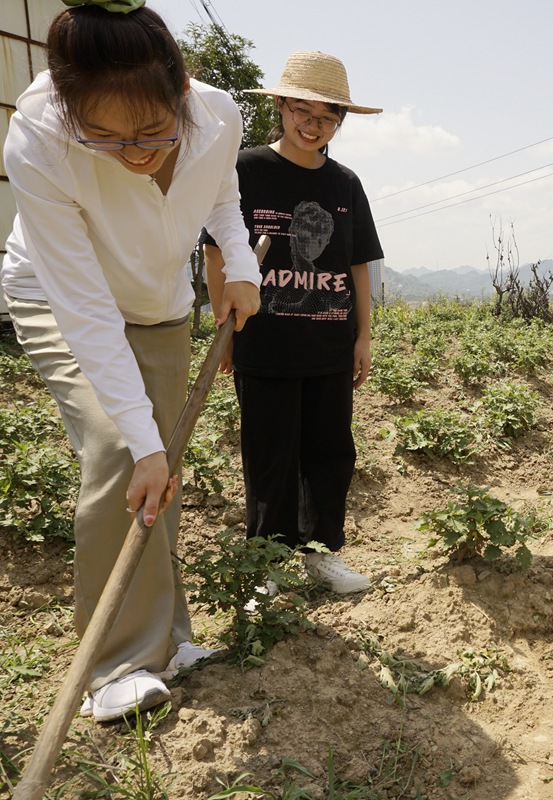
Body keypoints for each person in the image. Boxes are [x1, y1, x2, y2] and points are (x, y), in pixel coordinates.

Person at [1, 0, 262, 720]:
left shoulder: (217, 115)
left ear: (182, 90)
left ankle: (167, 640)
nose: (136, 152)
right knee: (126, 447)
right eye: (106, 138)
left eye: (153, 131)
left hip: (159, 302)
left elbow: (223, 195)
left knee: (162, 464)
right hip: (61, 297)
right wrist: (142, 440)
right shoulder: (39, 138)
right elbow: (85, 308)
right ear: (69, 107)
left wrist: (239, 263)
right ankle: (117, 665)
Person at [202, 51, 383, 596]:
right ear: (281, 106)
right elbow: (216, 252)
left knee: (331, 454)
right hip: (264, 343)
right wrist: (223, 329)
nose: (313, 126)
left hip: (330, 344)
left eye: (328, 118)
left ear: (339, 123)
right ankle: (268, 564)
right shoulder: (247, 170)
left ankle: (322, 555)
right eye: (303, 111)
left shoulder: (345, 184)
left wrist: (363, 335)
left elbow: (358, 264)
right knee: (270, 457)